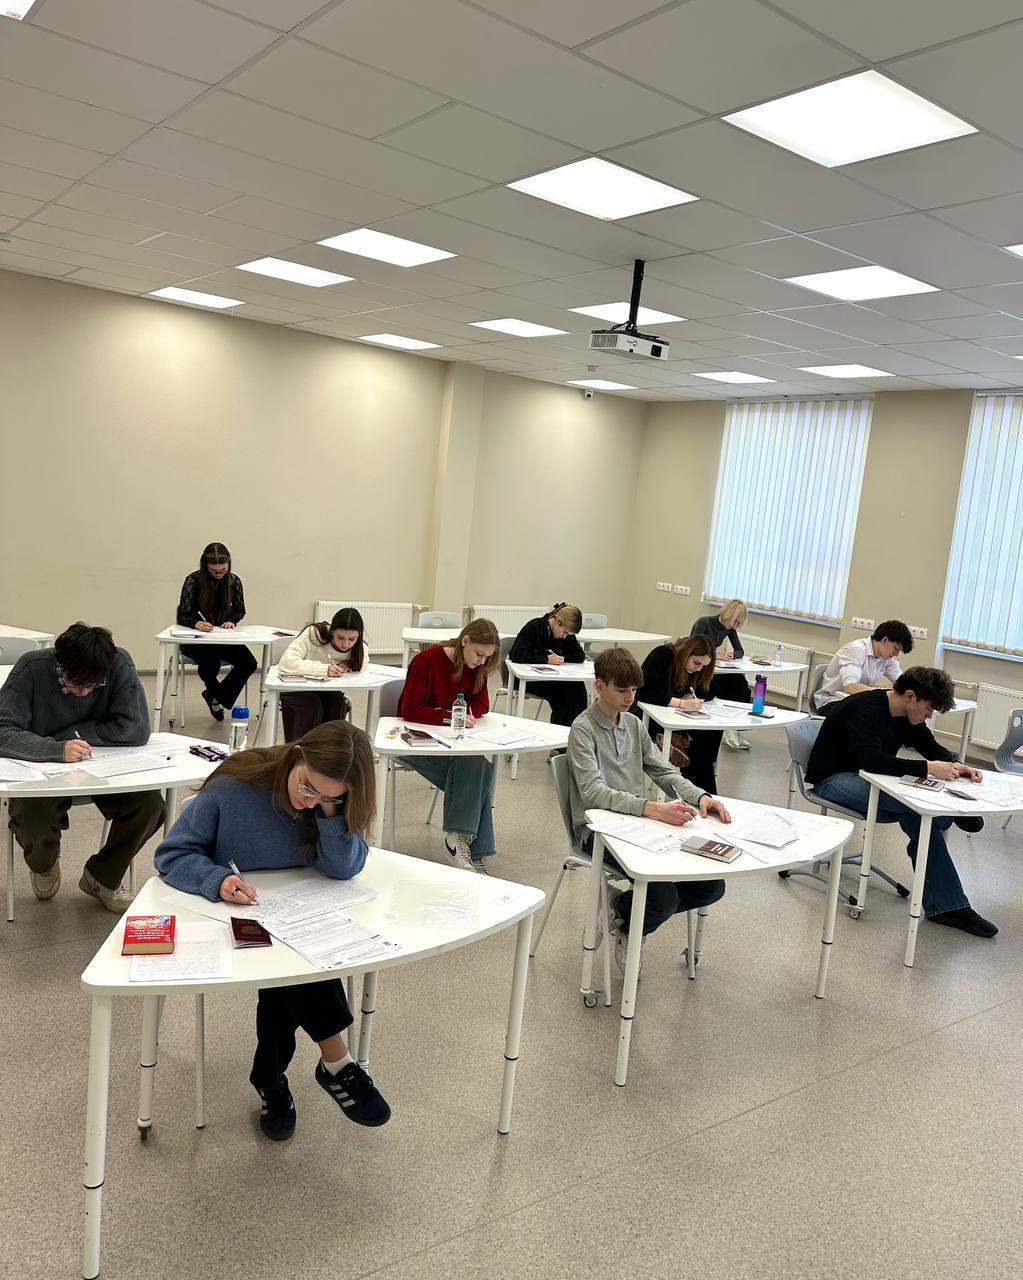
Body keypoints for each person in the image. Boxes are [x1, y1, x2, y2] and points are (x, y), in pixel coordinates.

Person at [154, 722, 390, 1140]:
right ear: (296, 755)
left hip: (300, 911)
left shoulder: (329, 805)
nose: (309, 801)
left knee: (291, 969)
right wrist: (217, 881)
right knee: (297, 965)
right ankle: (336, 1061)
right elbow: (172, 854)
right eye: (307, 787)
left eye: (328, 796)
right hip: (230, 910)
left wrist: (332, 813)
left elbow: (343, 868)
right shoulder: (233, 788)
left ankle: (270, 1077)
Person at [568, 647, 730, 973]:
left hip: (638, 824)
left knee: (711, 886)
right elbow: (593, 792)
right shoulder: (583, 729)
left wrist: (701, 797)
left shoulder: (633, 724)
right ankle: (632, 925)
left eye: (634, 689)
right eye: (622, 690)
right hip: (597, 830)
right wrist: (651, 809)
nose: (630, 697)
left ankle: (620, 908)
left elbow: (664, 772)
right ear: (600, 686)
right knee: (663, 898)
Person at [805, 667, 996, 938]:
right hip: (833, 779)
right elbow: (872, 760)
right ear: (909, 696)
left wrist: (957, 765)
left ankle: (947, 905)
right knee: (919, 809)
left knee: (920, 815)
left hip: (868, 777)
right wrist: (927, 768)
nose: (929, 716)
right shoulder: (865, 708)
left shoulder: (907, 715)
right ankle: (947, 901)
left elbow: (930, 746)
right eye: (928, 709)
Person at [0, 622, 164, 912]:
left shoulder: (117, 663)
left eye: (94, 685)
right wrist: (53, 748)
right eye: (77, 683)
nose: (86, 692)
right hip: (41, 768)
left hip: (98, 765)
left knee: (150, 806)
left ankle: (102, 876)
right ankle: (44, 864)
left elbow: (136, 728)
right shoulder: (32, 667)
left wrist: (73, 735)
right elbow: (3, 730)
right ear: (60, 663)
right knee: (33, 816)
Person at [397, 619, 500, 874]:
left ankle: (460, 842)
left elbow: (482, 704)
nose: (482, 661)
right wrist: (451, 715)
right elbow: (410, 709)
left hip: (452, 742)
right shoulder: (426, 661)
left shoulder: (477, 666)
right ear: (465, 641)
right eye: (479, 654)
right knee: (478, 772)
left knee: (475, 767)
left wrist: (462, 714)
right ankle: (466, 848)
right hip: (416, 742)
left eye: (487, 657)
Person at [176, 542, 258, 722]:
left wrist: (232, 620)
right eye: (214, 571)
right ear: (205, 567)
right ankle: (217, 696)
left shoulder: (234, 581)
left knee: (249, 662)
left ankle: (214, 696)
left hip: (222, 637)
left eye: (223, 570)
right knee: (211, 663)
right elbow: (182, 614)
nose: (219, 574)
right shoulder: (193, 581)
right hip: (196, 639)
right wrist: (196, 623)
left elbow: (240, 610)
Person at [633, 634, 720, 793]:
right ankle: (702, 794)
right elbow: (645, 692)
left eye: (703, 666)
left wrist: (689, 696)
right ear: (687, 652)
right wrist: (681, 703)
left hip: (675, 716)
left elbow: (711, 689)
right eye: (697, 663)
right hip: (649, 714)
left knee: (709, 735)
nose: (698, 669)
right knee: (699, 752)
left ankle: (699, 789)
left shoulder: (698, 668)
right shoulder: (662, 654)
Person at [277, 607, 363, 741]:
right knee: (312, 706)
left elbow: (364, 660)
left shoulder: (358, 647)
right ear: (332, 631)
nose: (345, 644)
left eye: (352, 639)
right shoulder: (313, 634)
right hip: (294, 686)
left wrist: (348, 663)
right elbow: (287, 662)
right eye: (340, 637)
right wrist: (324, 669)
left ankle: (330, 749)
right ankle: (302, 750)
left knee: (338, 704)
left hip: (324, 688)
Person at [508, 602, 587, 726]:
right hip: (528, 679)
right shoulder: (534, 626)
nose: (564, 637)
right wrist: (546, 659)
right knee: (562, 692)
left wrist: (561, 658)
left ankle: (576, 728)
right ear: (558, 621)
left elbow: (579, 655)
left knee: (578, 687)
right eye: (564, 632)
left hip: (552, 677)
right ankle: (562, 729)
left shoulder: (565, 633)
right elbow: (516, 654)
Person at [692, 598, 751, 751]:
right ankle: (729, 728)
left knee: (741, 682)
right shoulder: (704, 622)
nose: (735, 625)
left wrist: (729, 655)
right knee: (733, 684)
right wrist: (716, 655)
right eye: (735, 621)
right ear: (729, 613)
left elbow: (740, 651)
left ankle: (733, 727)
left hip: (714, 668)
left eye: (739, 623)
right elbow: (693, 647)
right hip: (700, 669)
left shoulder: (729, 629)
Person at [815, 620, 914, 711]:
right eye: (896, 648)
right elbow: (850, 687)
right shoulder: (856, 650)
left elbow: (902, 682)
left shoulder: (887, 659)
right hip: (831, 701)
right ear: (885, 640)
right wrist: (882, 689)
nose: (896, 654)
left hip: (854, 701)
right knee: (875, 715)